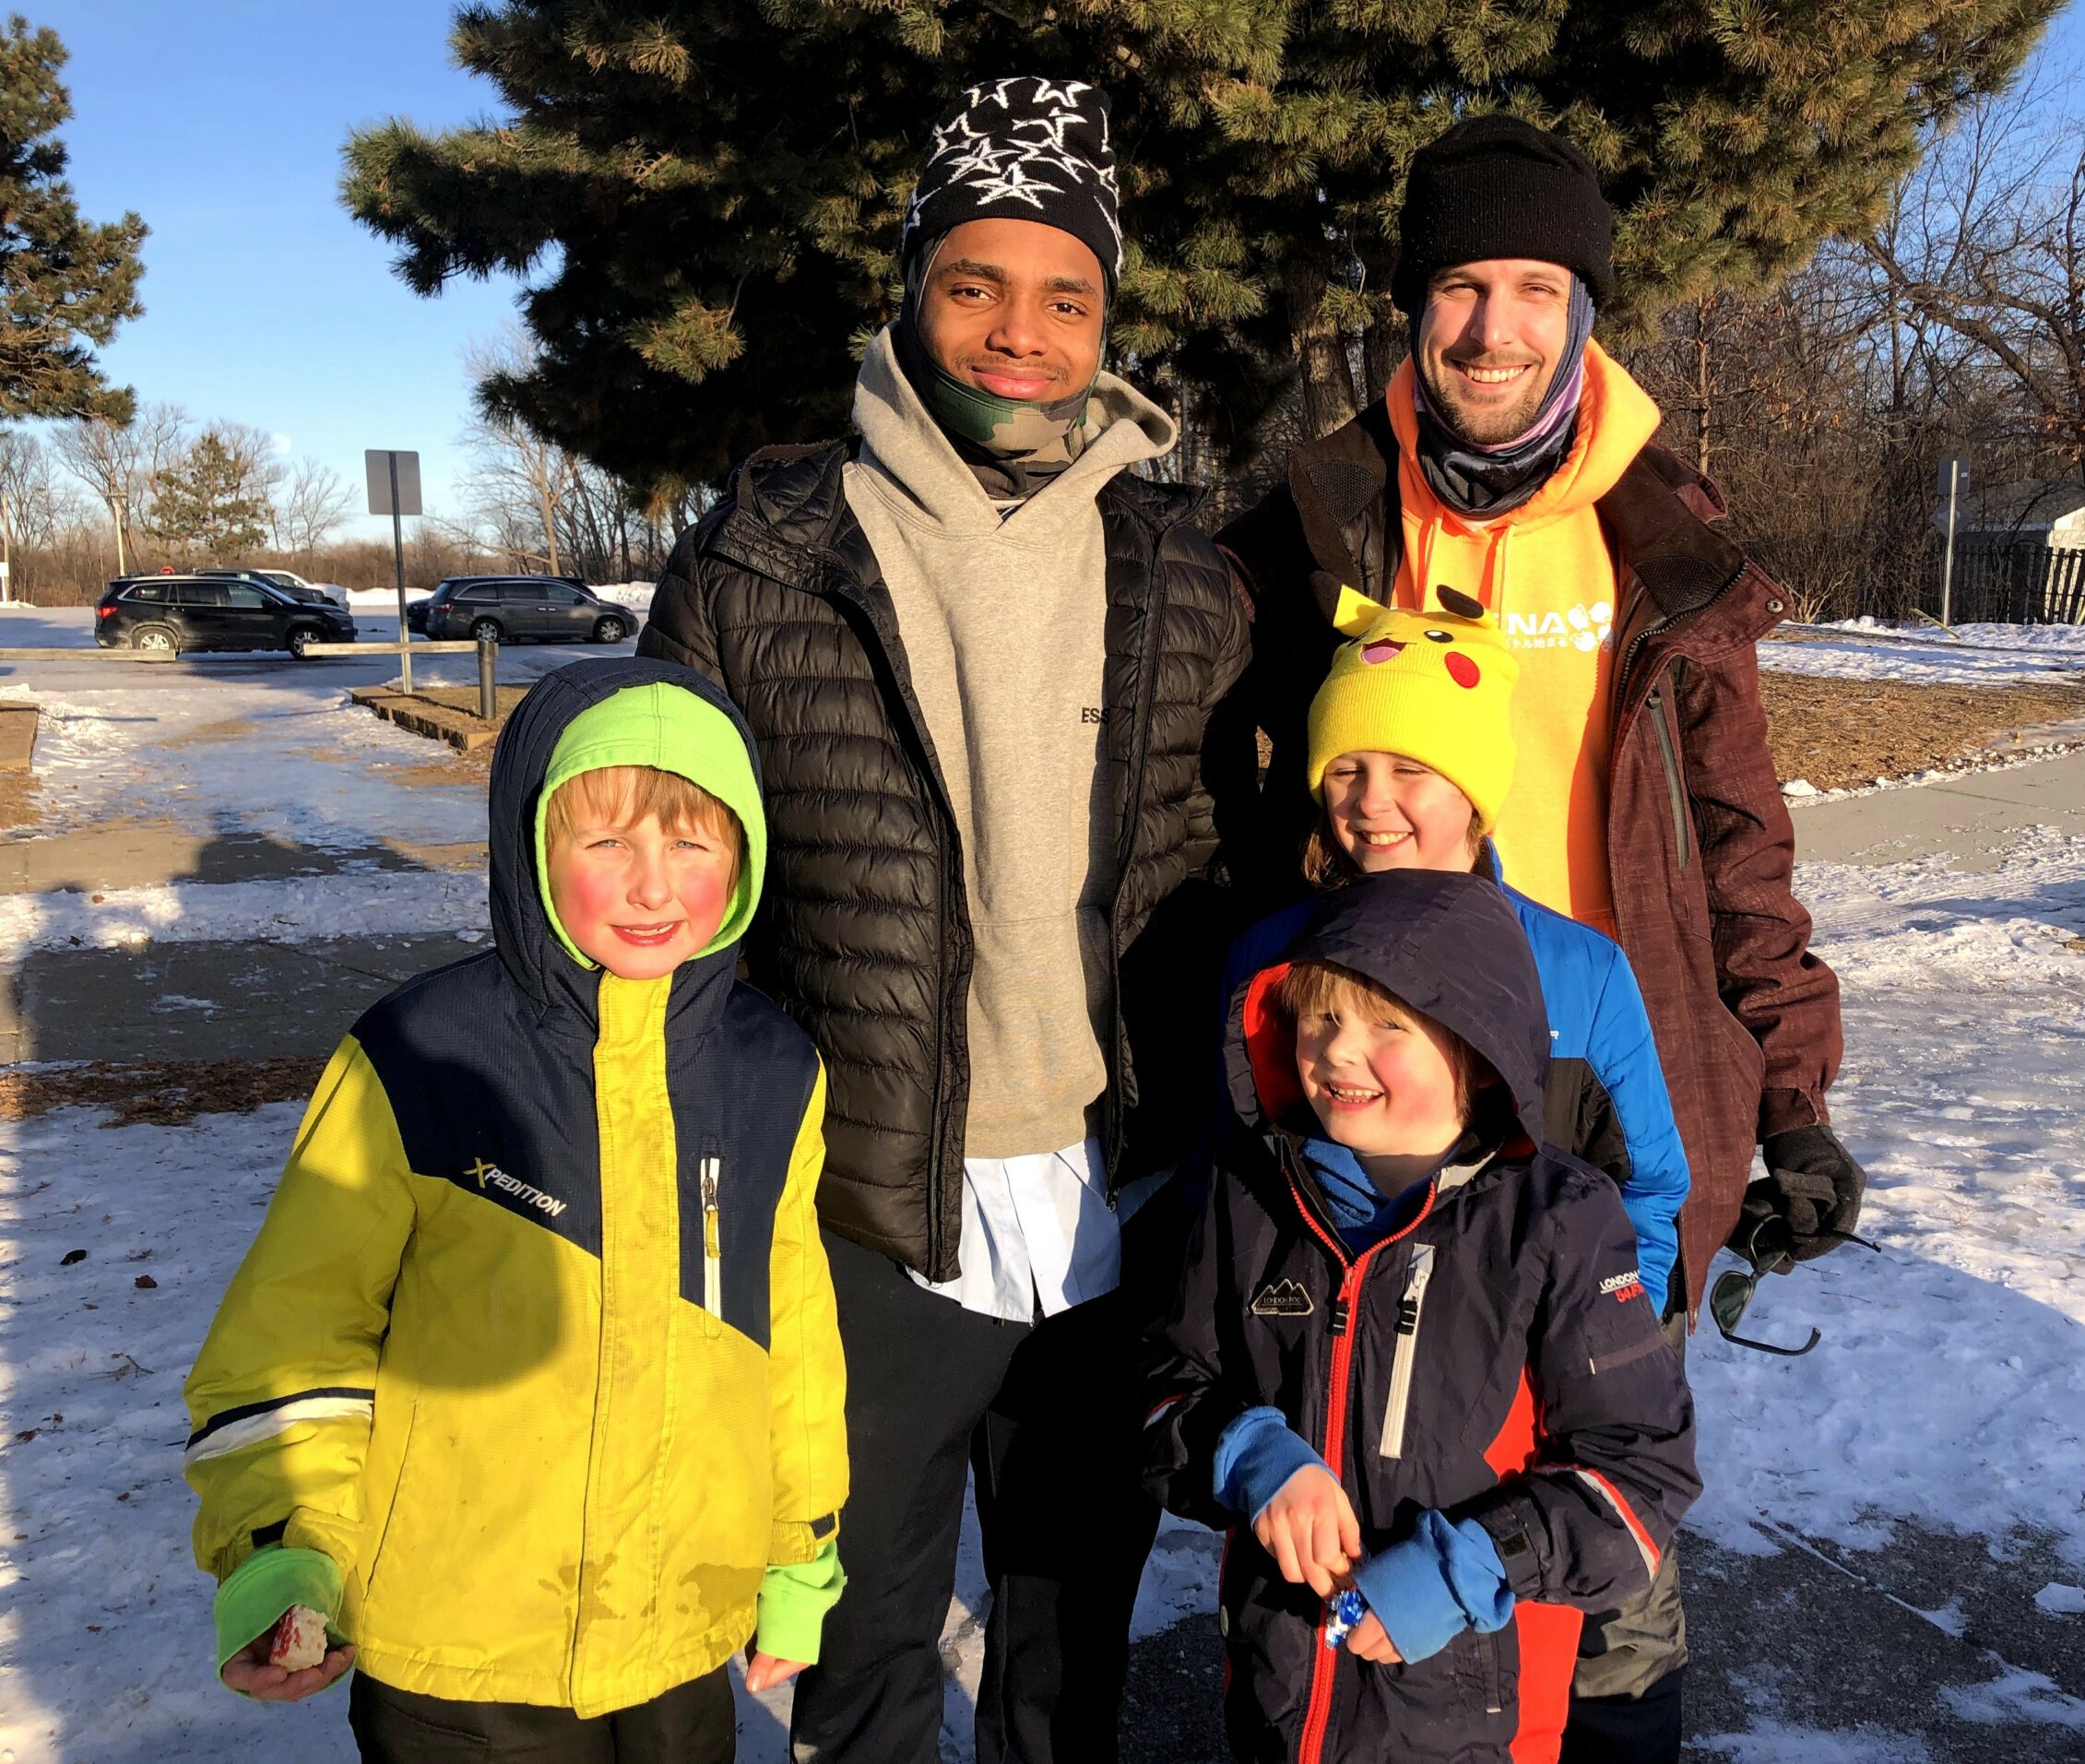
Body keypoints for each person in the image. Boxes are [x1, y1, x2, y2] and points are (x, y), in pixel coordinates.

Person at [1218, 112, 1866, 1754]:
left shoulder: (1661, 528)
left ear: (1583, 309)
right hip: (1388, 1091)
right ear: (1410, 306)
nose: (1491, 328)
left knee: (1608, 1557)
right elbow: (1228, 802)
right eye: (1457, 286)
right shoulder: (1322, 515)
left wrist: (1788, 1090)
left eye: (1532, 288)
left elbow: (1739, 838)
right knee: (1394, 1526)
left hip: (1601, 1075)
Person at [640, 77, 1252, 1763]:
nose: (1020, 333)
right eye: (975, 283)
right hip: (862, 1195)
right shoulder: (760, 556)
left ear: (1107, 323)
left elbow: (1222, 857)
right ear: (911, 289)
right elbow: (674, 896)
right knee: (861, 1634)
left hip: (1113, 1188)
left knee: (1071, 1623)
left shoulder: (1182, 566)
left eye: (1068, 296)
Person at [183, 657, 847, 1763]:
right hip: (461, 1655)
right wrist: (281, 1550)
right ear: (532, 844)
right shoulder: (420, 1055)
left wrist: (799, 1551)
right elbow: (294, 1331)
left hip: (678, 1629)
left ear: (745, 855)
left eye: (693, 842)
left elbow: (794, 1335)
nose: (653, 886)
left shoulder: (774, 1072)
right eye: (607, 841)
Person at [1142, 869, 1700, 1762]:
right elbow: (1165, 1387)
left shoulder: (1557, 1223)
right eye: (1322, 1017)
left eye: (1388, 1025)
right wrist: (1247, 1453)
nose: (1339, 1051)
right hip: (1281, 1706)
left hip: (1477, 1723)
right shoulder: (1248, 1198)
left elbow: (1640, 1477)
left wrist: (1472, 1564)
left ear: (1476, 1047)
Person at [1220, 586, 1689, 1310]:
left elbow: (1644, 1195)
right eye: (1346, 769)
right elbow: (1227, 1173)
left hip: (1517, 1353)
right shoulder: (1272, 957)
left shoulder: (1580, 972)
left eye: (1410, 769)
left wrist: (1609, 1344)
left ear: (1474, 790)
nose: (1370, 800)